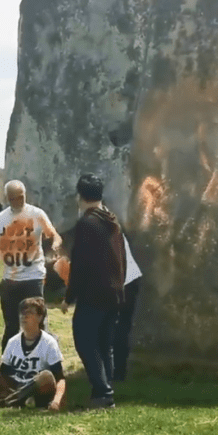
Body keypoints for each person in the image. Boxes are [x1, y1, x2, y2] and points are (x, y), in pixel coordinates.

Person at [61, 173, 125, 409]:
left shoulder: (87, 223)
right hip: (115, 292)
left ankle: (103, 392)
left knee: (85, 341)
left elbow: (80, 264)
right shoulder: (113, 220)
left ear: (81, 196)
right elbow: (122, 258)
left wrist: (69, 297)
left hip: (94, 294)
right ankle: (106, 391)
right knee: (104, 344)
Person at [0, 180, 62, 352]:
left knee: (38, 324)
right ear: (7, 199)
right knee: (11, 327)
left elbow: (54, 235)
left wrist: (56, 245)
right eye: (13, 199)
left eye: (20, 197)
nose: (18, 202)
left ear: (25, 195)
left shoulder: (37, 214)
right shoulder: (1, 219)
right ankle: (7, 366)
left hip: (33, 277)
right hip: (10, 280)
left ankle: (43, 361)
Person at [0, 297, 66, 410]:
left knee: (46, 376)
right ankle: (16, 401)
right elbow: (1, 373)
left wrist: (56, 402)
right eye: (22, 313)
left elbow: (60, 378)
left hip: (35, 388)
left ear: (40, 317)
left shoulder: (49, 342)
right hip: (14, 387)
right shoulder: (13, 342)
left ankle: (6, 401)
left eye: (30, 313)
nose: (24, 316)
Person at [113, 232, 143, 381]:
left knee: (119, 329)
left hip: (126, 283)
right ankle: (116, 371)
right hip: (122, 282)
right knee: (118, 328)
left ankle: (118, 372)